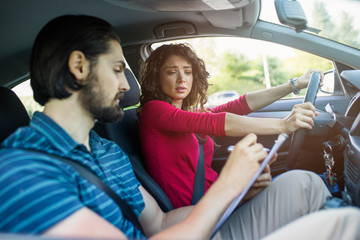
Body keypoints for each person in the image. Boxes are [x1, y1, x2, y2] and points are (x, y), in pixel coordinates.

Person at [1, 14, 360, 240]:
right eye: (116, 70)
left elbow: (157, 224)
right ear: (79, 67)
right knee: (346, 224)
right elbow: (217, 121)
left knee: (306, 185)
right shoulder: (20, 169)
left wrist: (238, 191)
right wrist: (230, 187)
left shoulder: (108, 153)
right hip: (202, 220)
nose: (127, 85)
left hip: (197, 223)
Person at [138, 43, 322, 208]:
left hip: (221, 201)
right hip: (201, 214)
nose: (182, 79)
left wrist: (295, 84)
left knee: (305, 186)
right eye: (172, 72)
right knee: (307, 185)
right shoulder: (154, 110)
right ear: (156, 77)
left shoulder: (183, 115)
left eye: (187, 71)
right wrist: (283, 125)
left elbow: (238, 105)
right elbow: (217, 122)